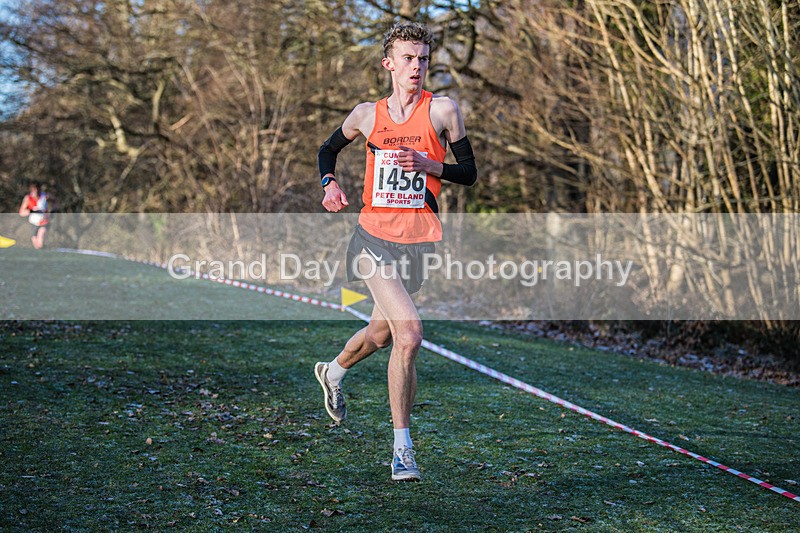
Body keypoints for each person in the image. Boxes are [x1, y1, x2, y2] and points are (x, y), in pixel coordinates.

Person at [314, 21, 477, 482]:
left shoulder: (443, 111)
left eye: (423, 58)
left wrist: (430, 164)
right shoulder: (367, 115)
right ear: (389, 63)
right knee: (410, 334)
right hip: (373, 239)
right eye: (408, 58)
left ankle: (333, 372)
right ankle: (402, 449)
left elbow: (468, 173)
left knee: (381, 334)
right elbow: (327, 149)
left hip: (417, 243)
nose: (416, 66)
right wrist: (329, 184)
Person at [18, 181, 52, 249]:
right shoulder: (28, 198)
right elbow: (21, 212)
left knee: (41, 240)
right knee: (36, 245)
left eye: (37, 189)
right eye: (34, 189)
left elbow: (54, 202)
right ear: (31, 190)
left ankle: (42, 247)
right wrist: (31, 211)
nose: (36, 191)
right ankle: (42, 251)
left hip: (44, 222)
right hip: (33, 222)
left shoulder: (45, 196)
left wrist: (51, 211)